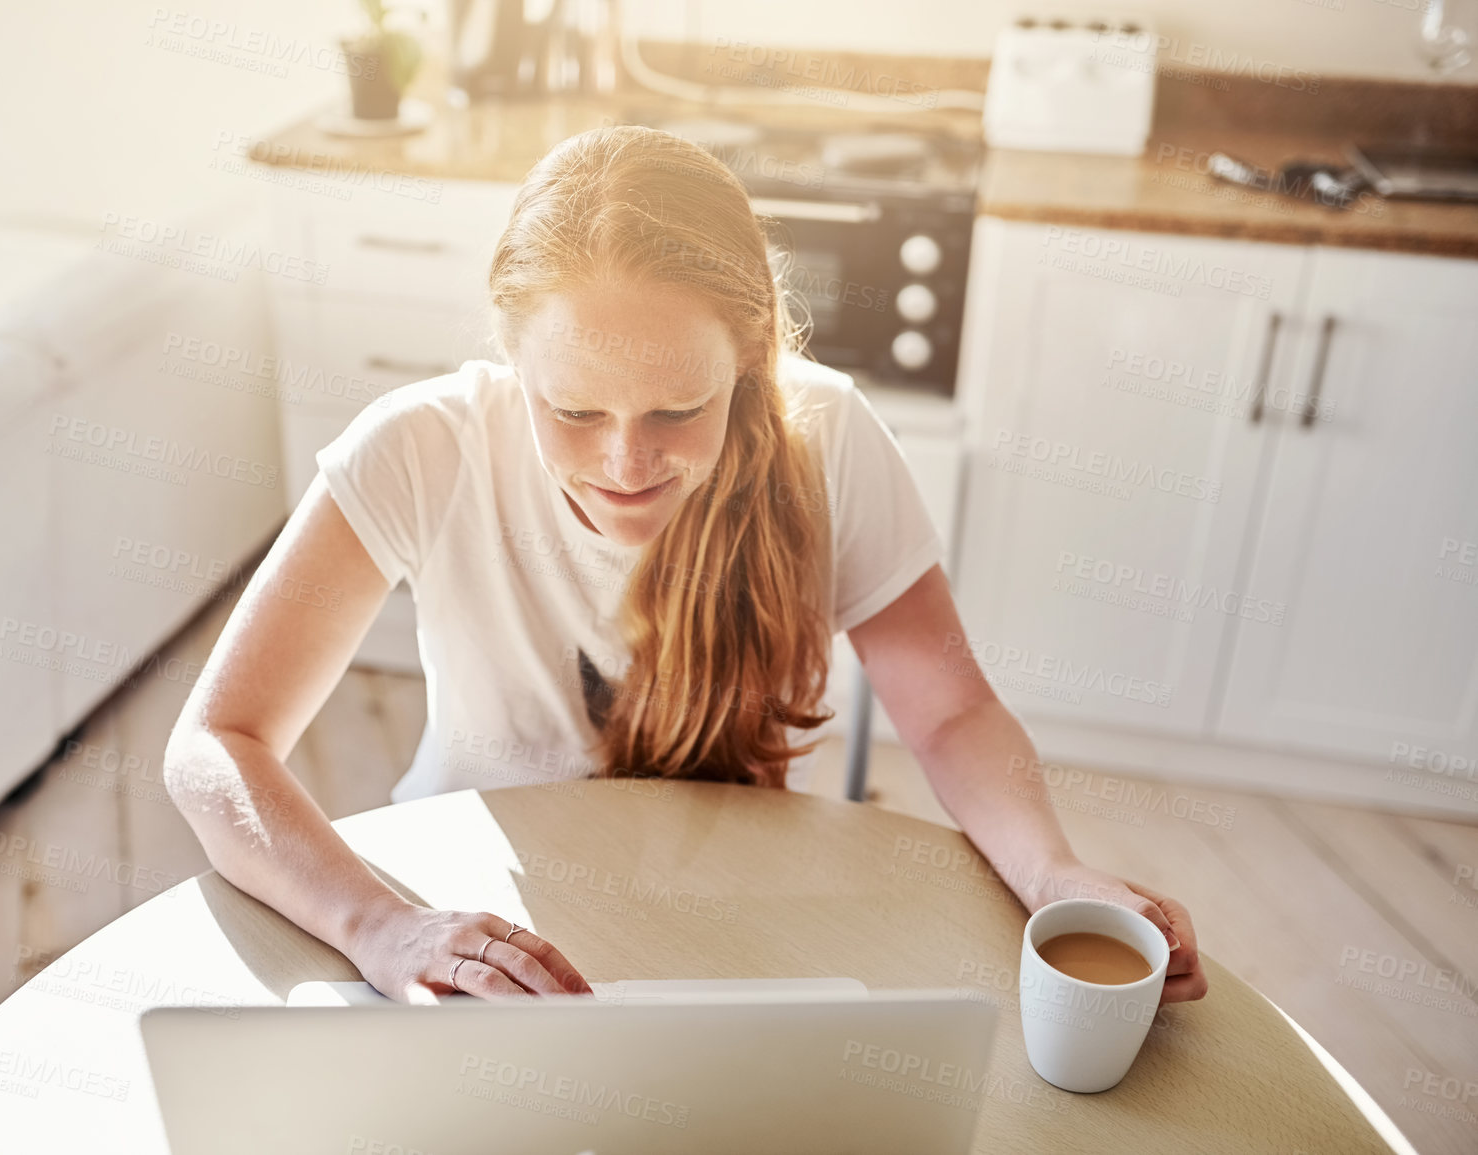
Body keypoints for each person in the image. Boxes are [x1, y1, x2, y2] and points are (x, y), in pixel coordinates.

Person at [163, 125, 1209, 1006]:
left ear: (750, 361)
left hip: (738, 917)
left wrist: (1054, 873)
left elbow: (950, 715)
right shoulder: (421, 445)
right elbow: (219, 741)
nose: (625, 464)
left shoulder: (828, 436)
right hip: (470, 911)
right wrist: (379, 928)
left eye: (678, 410)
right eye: (572, 410)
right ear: (509, 356)